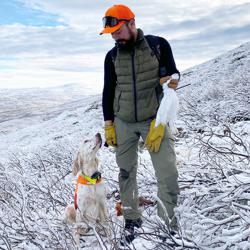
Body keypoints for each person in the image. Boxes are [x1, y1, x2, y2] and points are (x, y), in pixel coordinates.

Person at [100, 4, 180, 243]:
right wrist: (109, 124)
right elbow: (108, 91)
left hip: (154, 119)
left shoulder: (158, 45)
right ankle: (131, 219)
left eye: (118, 30)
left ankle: (168, 225)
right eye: (111, 32)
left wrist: (172, 81)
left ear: (131, 24)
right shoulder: (112, 56)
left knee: (167, 172)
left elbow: (173, 75)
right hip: (123, 121)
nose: (114, 36)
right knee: (125, 172)